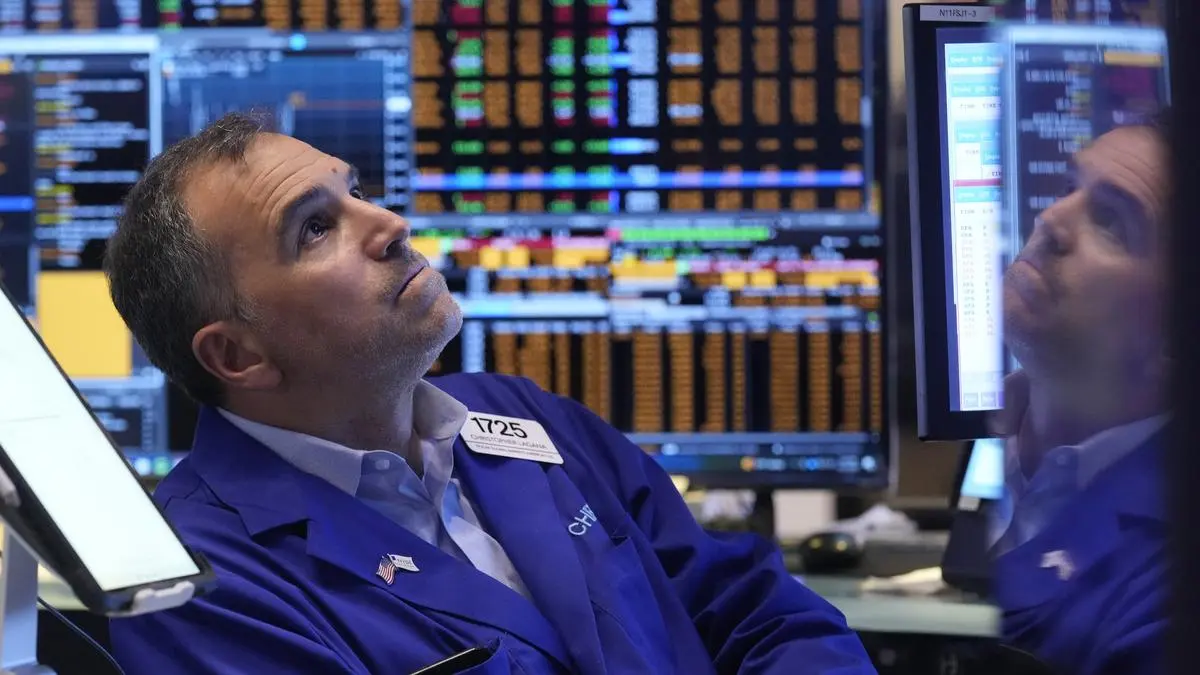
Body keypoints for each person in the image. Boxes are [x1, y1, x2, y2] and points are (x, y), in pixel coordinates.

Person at [102, 112, 876, 675]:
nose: (390, 223)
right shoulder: (201, 588)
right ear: (239, 353)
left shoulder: (521, 415)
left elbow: (753, 610)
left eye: (357, 191)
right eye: (314, 228)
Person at [991, 117, 1171, 675]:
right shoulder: (996, 444)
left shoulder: (1166, 594)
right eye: (1071, 188)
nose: (1050, 220)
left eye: (1112, 222)